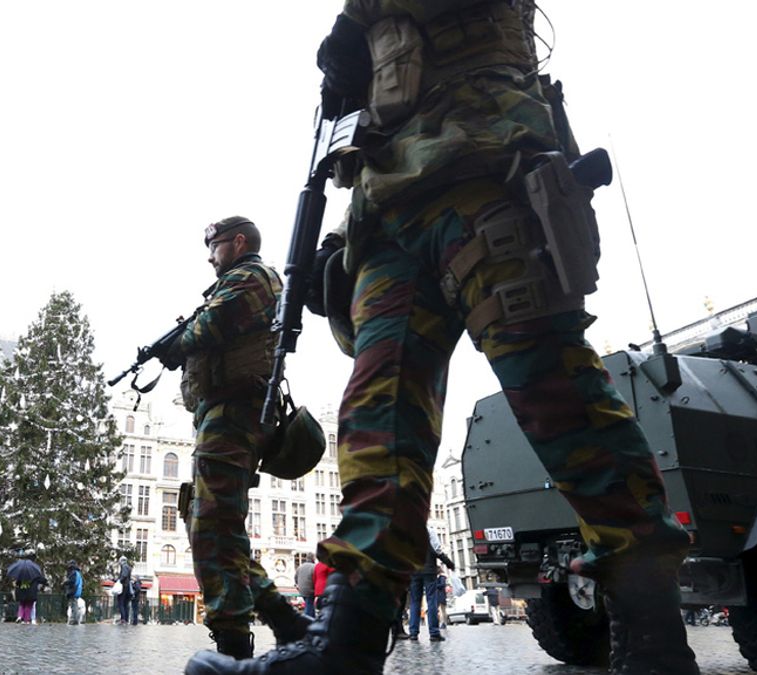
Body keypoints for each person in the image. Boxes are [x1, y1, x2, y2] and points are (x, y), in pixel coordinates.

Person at [186, 3, 697, 674]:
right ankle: (346, 638)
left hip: (485, 162)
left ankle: (652, 633)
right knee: (376, 422)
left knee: (554, 390)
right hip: (389, 205)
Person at [162, 216, 311, 660]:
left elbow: (211, 327)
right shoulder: (239, 281)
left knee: (214, 527)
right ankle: (286, 622)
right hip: (222, 415)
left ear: (238, 242)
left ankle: (232, 645)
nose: (210, 256)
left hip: (234, 415)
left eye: (215, 246)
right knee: (215, 525)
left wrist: (176, 343)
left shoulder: (251, 277)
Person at [408, 527, 455, 642]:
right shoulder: (429, 531)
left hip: (414, 571)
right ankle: (434, 633)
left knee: (414, 602)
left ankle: (413, 633)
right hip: (428, 570)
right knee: (431, 600)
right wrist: (449, 563)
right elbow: (437, 550)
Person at [65, 561, 84, 625]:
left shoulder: (73, 573)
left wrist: (65, 583)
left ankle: (74, 619)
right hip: (77, 591)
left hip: (73, 591)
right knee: (74, 605)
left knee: (73, 606)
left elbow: (72, 581)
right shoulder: (78, 573)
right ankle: (74, 619)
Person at [116, 555, 132, 624]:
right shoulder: (128, 567)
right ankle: (125, 619)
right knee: (125, 604)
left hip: (124, 586)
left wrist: (119, 581)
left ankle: (123, 619)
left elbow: (124, 576)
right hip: (126, 586)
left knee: (121, 603)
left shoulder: (125, 566)